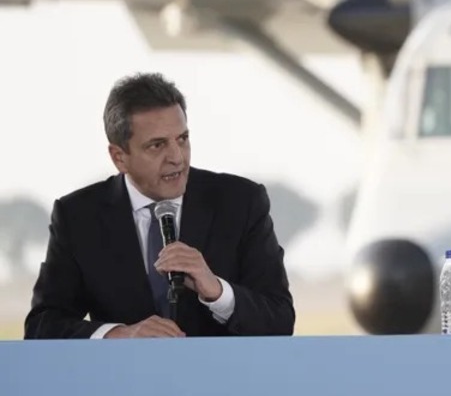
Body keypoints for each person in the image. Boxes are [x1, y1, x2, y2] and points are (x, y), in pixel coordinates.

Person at [24, 73, 295, 338]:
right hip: (126, 380)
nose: (177, 157)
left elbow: (280, 320)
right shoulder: (78, 217)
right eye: (157, 145)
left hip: (220, 380)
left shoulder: (241, 202)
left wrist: (217, 291)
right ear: (119, 157)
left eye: (182, 139)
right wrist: (120, 335)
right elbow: (42, 326)